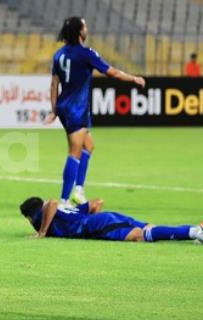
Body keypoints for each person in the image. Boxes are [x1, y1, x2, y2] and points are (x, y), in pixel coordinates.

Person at [47, 17, 146, 210]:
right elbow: (112, 73)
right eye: (84, 25)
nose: (87, 28)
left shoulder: (58, 55)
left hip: (64, 106)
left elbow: (54, 84)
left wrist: (53, 109)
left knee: (89, 146)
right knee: (74, 152)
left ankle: (78, 191)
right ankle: (64, 201)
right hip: (77, 108)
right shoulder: (86, 54)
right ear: (79, 32)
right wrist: (134, 79)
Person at [19, 196, 203, 245]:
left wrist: (42, 232)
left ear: (30, 216)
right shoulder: (71, 210)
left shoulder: (41, 215)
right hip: (105, 218)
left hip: (97, 226)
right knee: (149, 230)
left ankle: (195, 232)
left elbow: (50, 203)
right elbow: (97, 202)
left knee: (140, 236)